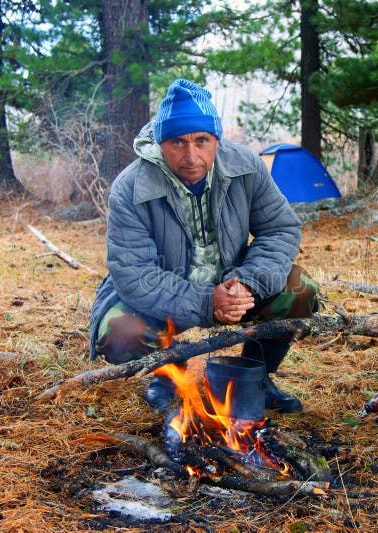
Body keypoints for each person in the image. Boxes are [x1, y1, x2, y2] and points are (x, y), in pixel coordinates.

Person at [88, 78, 319, 413]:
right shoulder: (130, 187)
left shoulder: (245, 166)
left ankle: (256, 377)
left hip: (233, 282)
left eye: (201, 141)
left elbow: (280, 228)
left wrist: (247, 283)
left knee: (301, 289)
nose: (191, 156)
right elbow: (135, 274)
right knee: (118, 330)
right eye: (178, 143)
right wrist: (207, 301)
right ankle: (170, 376)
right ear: (160, 143)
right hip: (165, 294)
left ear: (216, 141)